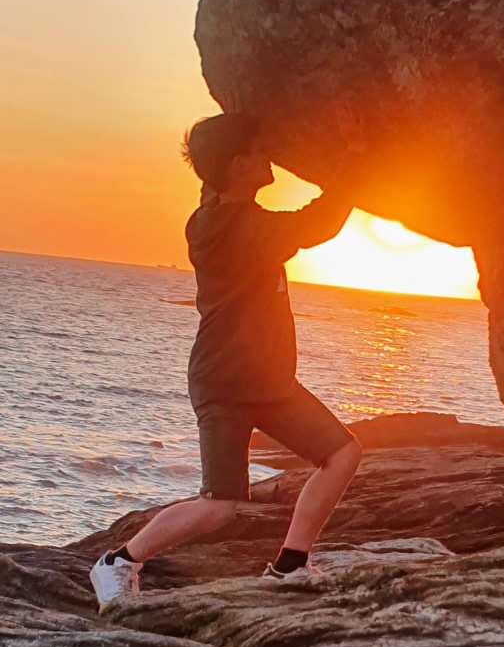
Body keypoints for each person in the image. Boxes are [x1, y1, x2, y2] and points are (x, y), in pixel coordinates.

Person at [90, 112, 364, 609]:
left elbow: (216, 174)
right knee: (220, 506)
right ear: (238, 165)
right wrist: (355, 164)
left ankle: (291, 564)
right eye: (259, 151)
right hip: (227, 381)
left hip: (268, 380)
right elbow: (317, 224)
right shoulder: (234, 228)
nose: (270, 158)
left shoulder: (218, 211)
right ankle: (118, 562)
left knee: (342, 454)